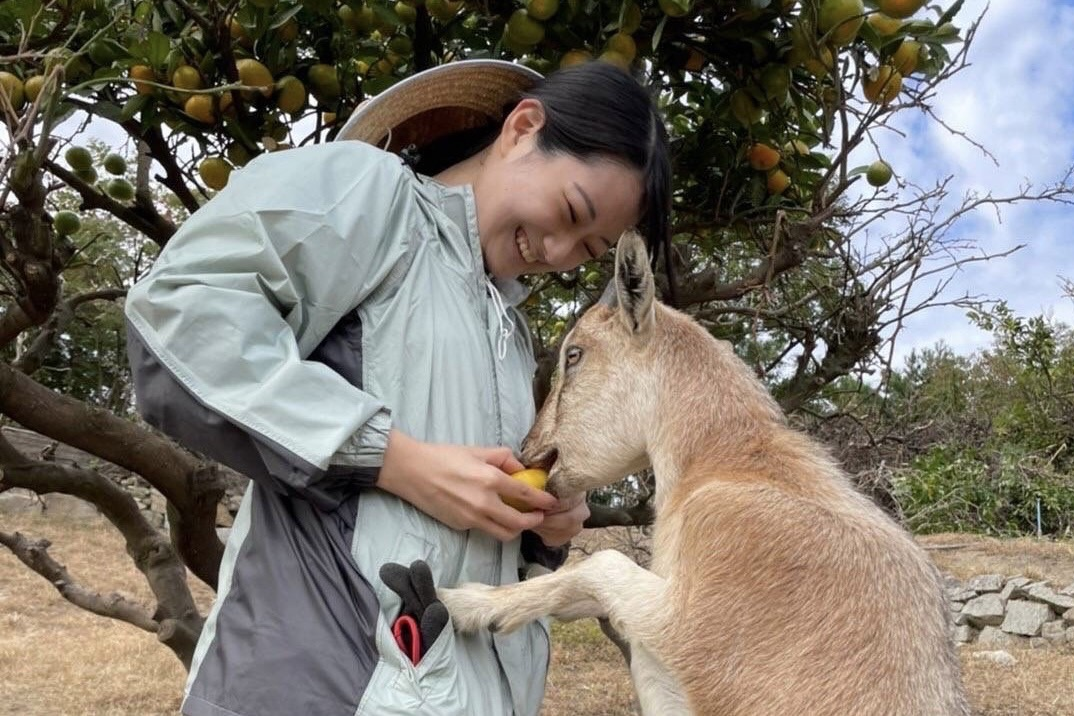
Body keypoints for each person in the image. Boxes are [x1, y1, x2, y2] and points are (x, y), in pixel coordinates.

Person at [124, 58, 671, 716]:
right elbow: (182, 318)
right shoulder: (373, 193)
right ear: (523, 128)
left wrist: (539, 534)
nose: (558, 252)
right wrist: (398, 460)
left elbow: (445, 539)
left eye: (589, 247)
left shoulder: (509, 333)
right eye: (571, 210)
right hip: (319, 689)